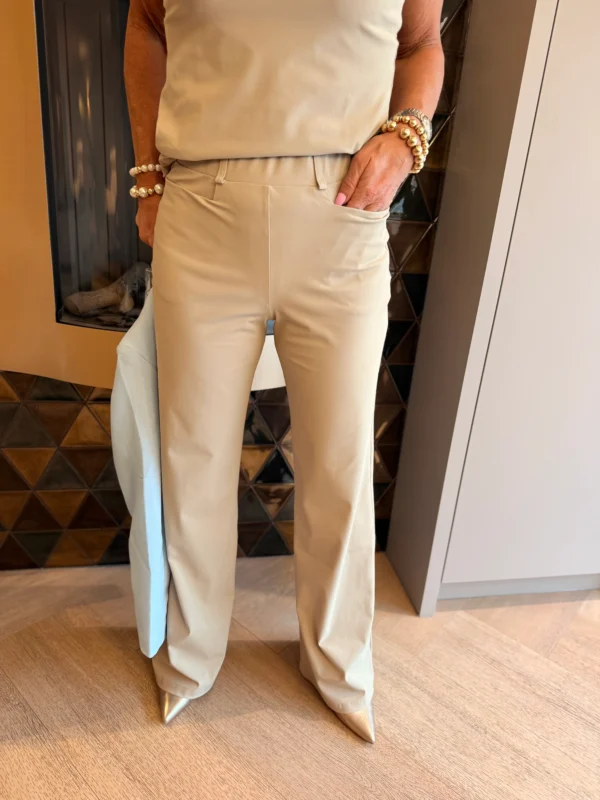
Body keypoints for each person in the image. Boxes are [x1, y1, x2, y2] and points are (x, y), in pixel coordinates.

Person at [124, 0, 444, 743]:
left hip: (343, 208)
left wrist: (406, 137)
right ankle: (190, 654)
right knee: (192, 453)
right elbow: (145, 24)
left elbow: (421, 42)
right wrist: (146, 176)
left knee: (339, 460)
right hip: (201, 204)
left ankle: (338, 662)